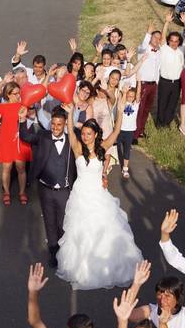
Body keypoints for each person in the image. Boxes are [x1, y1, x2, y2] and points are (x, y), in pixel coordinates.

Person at [55, 105, 142, 290]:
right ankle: (83, 268)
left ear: (95, 134)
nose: (85, 136)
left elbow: (117, 130)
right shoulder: (78, 148)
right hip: (80, 195)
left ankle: (107, 266)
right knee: (81, 231)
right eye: (84, 133)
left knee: (104, 229)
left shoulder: (103, 148)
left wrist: (119, 109)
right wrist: (70, 114)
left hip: (98, 195)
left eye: (88, 133)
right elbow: (70, 131)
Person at [20, 107, 75, 268]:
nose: (55, 128)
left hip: (64, 190)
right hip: (45, 188)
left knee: (63, 223)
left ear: (65, 125)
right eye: (53, 124)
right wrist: (22, 120)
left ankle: (65, 251)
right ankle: (53, 252)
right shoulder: (43, 137)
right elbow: (25, 137)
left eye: (59, 125)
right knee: (50, 222)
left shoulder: (73, 139)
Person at [0, 81, 33, 205]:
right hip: (6, 140)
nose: (18, 96)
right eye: (15, 93)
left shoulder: (23, 105)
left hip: (20, 140)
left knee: (21, 168)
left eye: (19, 93)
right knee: (6, 168)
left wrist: (26, 114)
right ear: (8, 94)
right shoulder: (2, 106)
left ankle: (22, 192)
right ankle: (6, 192)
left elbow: (32, 116)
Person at [157, 13, 185, 129]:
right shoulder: (164, 49)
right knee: (162, 103)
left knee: (172, 104)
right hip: (165, 82)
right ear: (168, 41)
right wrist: (167, 22)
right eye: (172, 40)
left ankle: (167, 122)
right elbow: (163, 36)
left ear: (179, 42)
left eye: (176, 41)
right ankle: (160, 123)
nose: (174, 43)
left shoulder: (181, 50)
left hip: (177, 83)